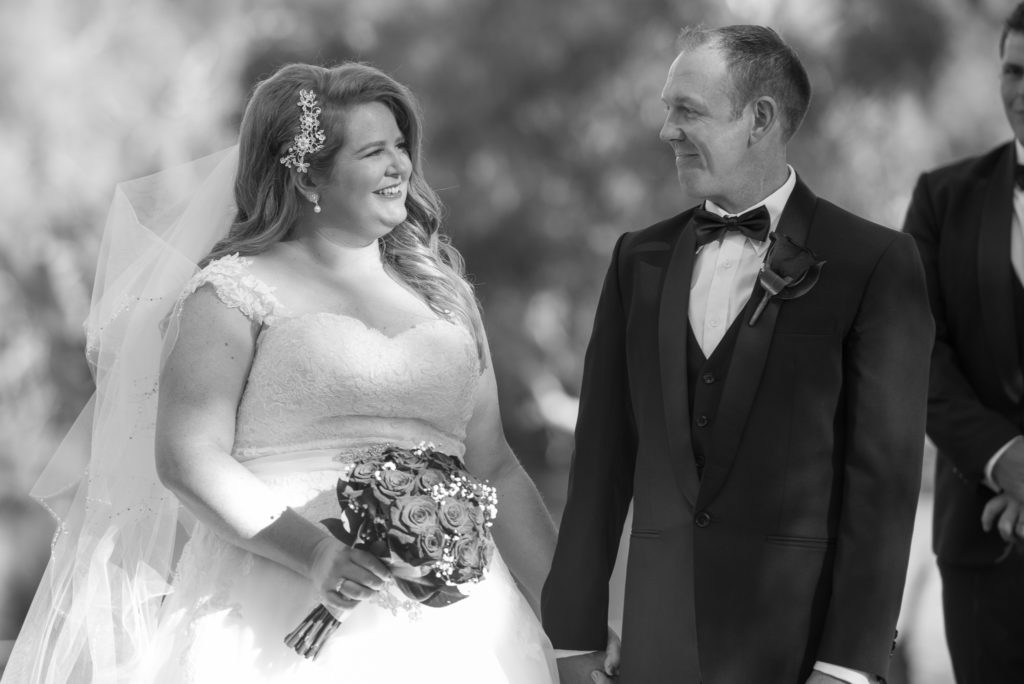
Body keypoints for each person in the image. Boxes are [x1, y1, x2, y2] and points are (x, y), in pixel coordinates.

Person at [2, 62, 558, 683]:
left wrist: (571, 625)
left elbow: (495, 467)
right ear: (307, 174)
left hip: (464, 630)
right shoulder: (231, 292)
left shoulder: (446, 298)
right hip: (272, 603)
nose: (400, 165)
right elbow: (189, 458)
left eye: (401, 146)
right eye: (373, 151)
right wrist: (317, 552)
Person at [542, 24, 933, 684]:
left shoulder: (876, 263)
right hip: (652, 652)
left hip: (800, 653)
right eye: (668, 110)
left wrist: (846, 666)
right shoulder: (636, 259)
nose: (667, 130)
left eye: (687, 110)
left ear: (760, 119)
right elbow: (600, 464)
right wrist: (571, 638)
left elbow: (883, 487)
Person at [903, 4, 1024, 681]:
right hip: (984, 552)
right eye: (1012, 71)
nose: (1021, 90)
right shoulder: (940, 200)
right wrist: (1004, 459)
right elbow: (914, 355)